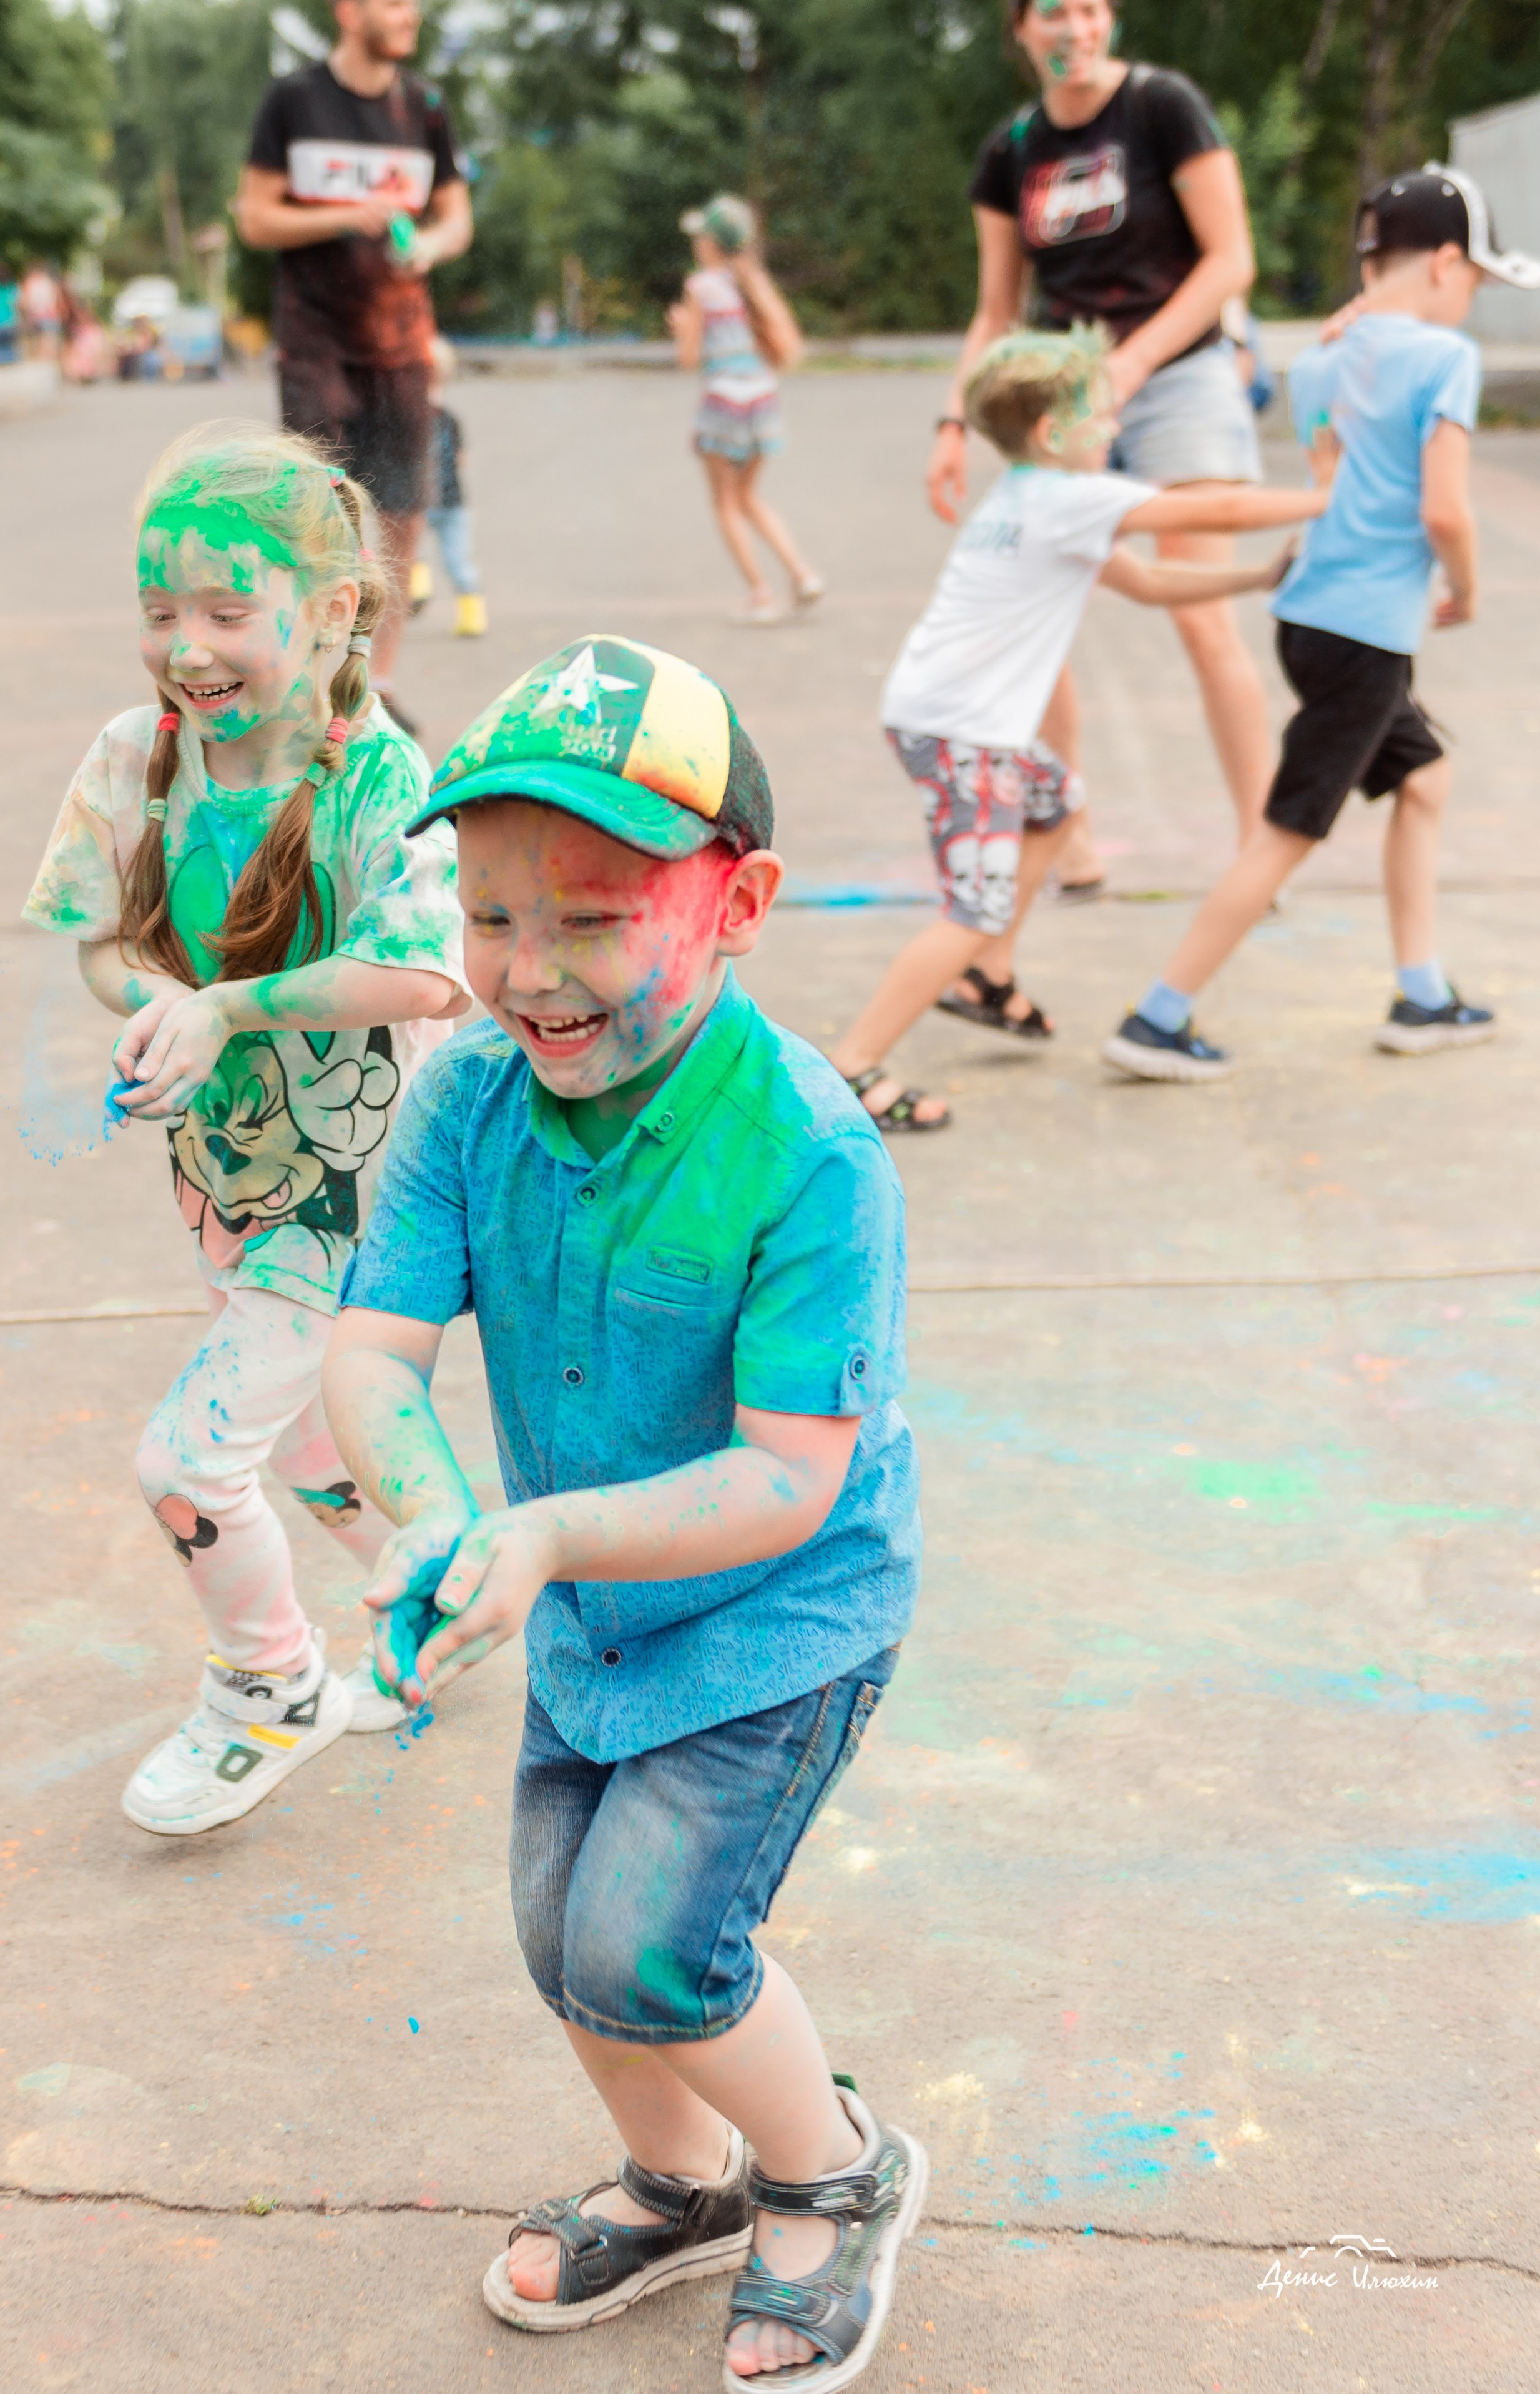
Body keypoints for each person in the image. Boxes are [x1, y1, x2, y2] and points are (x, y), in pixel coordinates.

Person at [321, 634, 926, 2386]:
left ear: (739, 904)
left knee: (655, 1944)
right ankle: (686, 2177)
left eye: (589, 917)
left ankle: (834, 2169)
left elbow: (789, 1474)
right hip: (584, 1606)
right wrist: (442, 1527)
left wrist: (545, 1538)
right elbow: (372, 1352)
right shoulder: (466, 1098)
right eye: (488, 915)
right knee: (558, 1934)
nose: (527, 970)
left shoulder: (807, 1150)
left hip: (776, 1615)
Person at [21, 423, 469, 1834]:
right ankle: (458, 1582)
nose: (187, 648)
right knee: (321, 1438)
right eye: (160, 611)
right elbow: (100, 942)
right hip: (225, 1175)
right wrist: (160, 1002)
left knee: (190, 1461)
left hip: (358, 1192)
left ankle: (269, 1687)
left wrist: (229, 1007)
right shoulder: (137, 756)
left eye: (227, 610)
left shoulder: (379, 777)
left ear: (334, 611)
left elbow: (424, 973)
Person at [828, 328, 1328, 1131]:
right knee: (971, 907)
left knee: (1055, 800)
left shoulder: (1027, 496)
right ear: (1051, 432)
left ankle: (985, 976)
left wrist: (1258, 575)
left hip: (952, 720)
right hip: (963, 732)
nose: (1114, 427)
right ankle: (853, 1066)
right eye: (1101, 413)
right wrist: (1324, 497)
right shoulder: (1067, 499)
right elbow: (1220, 506)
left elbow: (1151, 579)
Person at [1102, 167, 1540, 1084]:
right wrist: (1467, 590)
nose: (1470, 299)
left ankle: (1422, 994)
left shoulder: (1319, 359)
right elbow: (1446, 512)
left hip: (1310, 618)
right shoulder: (1446, 358)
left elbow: (1331, 472)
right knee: (1288, 831)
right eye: (1473, 279)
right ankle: (1157, 1017)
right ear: (1445, 264)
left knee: (1424, 778)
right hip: (1366, 633)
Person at [928, 0, 1265, 907]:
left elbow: (1231, 261)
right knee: (1037, 612)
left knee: (1202, 614)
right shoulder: (1011, 150)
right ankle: (1068, 835)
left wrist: (1134, 364)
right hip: (1066, 398)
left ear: (1108, 19)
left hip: (1179, 374)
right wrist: (953, 422)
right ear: (1022, 30)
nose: (1072, 28)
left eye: (1088, 8)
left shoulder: (1161, 106)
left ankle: (1260, 846)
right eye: (1051, 12)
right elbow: (996, 311)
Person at [235, 0, 473, 735]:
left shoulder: (425, 106)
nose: (410, 14)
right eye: (393, 2)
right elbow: (255, 218)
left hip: (400, 344)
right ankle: (311, 682)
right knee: (317, 510)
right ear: (347, 10)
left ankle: (378, 684)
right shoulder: (294, 100)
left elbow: (457, 219)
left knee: (403, 514)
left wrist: (429, 246)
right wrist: (343, 214)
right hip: (317, 344)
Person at [667, 195, 825, 626]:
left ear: (710, 244)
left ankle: (760, 593)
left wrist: (683, 329)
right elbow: (786, 348)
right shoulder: (756, 283)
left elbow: (688, 358)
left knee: (725, 502)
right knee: (749, 496)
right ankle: (802, 574)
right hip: (763, 400)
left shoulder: (700, 287)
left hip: (723, 401)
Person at [408, 334, 486, 635]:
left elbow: (459, 457)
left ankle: (465, 612)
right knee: (423, 551)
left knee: (442, 556)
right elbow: (461, 458)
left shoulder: (445, 419)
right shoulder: (447, 419)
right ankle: (422, 593)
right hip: (439, 500)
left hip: (442, 501)